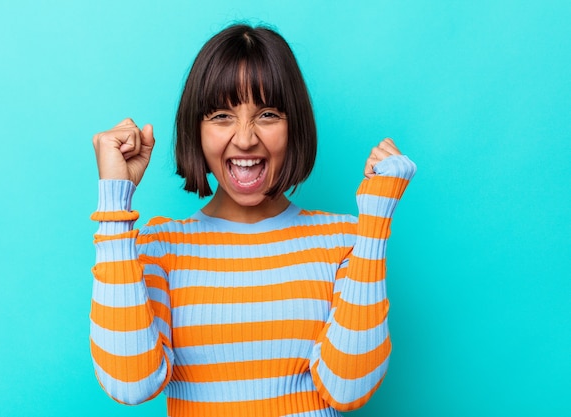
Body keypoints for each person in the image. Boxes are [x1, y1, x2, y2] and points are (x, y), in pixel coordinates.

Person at [90, 24, 416, 417]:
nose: (245, 139)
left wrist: (375, 221)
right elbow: (130, 383)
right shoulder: (160, 247)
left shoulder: (343, 239)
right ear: (197, 130)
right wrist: (113, 202)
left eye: (267, 114)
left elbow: (349, 386)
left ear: (293, 125)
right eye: (222, 116)